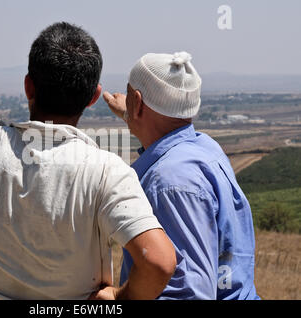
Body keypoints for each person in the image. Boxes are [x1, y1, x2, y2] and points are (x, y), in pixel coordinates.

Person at [0, 22, 176, 300]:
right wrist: (117, 298)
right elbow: (158, 262)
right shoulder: (107, 171)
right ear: (93, 97)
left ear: (28, 86)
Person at [103, 52, 260, 300]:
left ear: (139, 101)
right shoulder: (204, 148)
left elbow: (186, 294)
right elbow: (165, 136)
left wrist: (119, 298)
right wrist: (131, 114)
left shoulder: (170, 182)